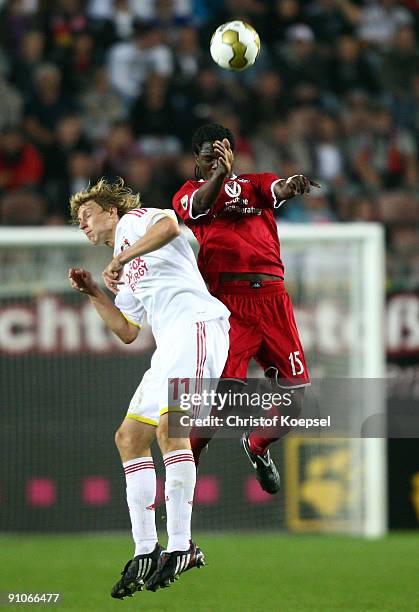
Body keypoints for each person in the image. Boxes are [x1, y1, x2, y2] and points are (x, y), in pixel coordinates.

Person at [68, 177, 229, 596]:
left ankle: (182, 544)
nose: (83, 224)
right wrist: (93, 293)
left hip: (197, 327)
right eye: (78, 221)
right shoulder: (123, 271)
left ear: (111, 211)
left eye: (87, 214)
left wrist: (122, 255)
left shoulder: (137, 223)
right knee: (129, 437)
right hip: (167, 347)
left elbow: (171, 227)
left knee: (169, 431)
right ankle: (146, 548)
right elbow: (127, 331)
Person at [172, 123, 320, 494]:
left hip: (272, 301)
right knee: (219, 402)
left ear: (233, 154)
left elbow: (278, 187)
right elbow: (200, 208)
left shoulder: (255, 184)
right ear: (197, 160)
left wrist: (294, 183)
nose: (215, 161)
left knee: (296, 396)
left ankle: (257, 445)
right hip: (228, 306)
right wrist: (219, 174)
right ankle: (181, 483)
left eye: (222, 154)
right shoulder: (188, 194)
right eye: (209, 156)